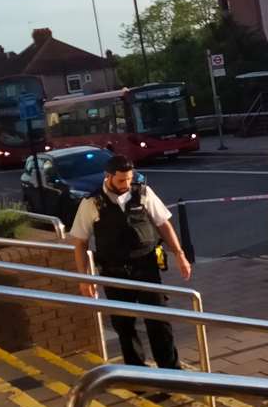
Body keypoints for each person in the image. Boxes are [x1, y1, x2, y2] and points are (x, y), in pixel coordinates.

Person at [67, 154, 192, 370]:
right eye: (121, 180)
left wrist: (180, 254)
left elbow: (164, 225)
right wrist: (84, 277)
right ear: (108, 177)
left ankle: (171, 371)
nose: (126, 184)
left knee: (159, 321)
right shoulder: (92, 203)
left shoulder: (142, 193)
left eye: (129, 179)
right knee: (124, 325)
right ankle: (137, 374)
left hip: (146, 268)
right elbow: (80, 242)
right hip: (114, 272)